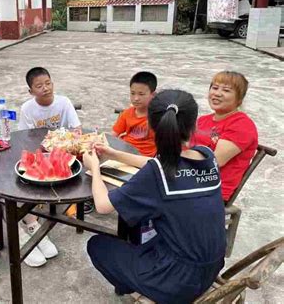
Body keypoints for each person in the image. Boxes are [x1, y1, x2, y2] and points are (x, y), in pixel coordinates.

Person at [83, 90, 226, 303]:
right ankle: (138, 275)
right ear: (194, 125)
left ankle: (135, 286)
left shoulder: (157, 172)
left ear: (151, 126)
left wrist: (94, 168)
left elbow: (103, 206)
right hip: (212, 266)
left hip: (177, 282)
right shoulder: (207, 156)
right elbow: (159, 166)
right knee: (143, 230)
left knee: (97, 245)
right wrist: (114, 153)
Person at [18, 67, 75, 267]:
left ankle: (58, 209)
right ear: (31, 91)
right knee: (22, 177)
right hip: (39, 154)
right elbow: (24, 138)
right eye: (39, 86)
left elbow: (75, 129)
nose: (45, 88)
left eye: (48, 83)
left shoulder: (64, 102)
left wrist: (62, 143)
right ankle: (30, 223)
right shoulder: (27, 108)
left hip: (61, 153)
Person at [190, 71, 258, 202]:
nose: (217, 93)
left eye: (226, 90)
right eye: (214, 88)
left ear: (239, 99)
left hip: (211, 191)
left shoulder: (242, 125)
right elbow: (186, 146)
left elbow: (215, 161)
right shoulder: (203, 120)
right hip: (188, 178)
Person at [112, 71, 157, 157]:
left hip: (145, 158)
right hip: (124, 152)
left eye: (141, 94)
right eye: (132, 93)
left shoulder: (158, 117)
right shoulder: (127, 113)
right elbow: (113, 135)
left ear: (153, 94)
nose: (136, 98)